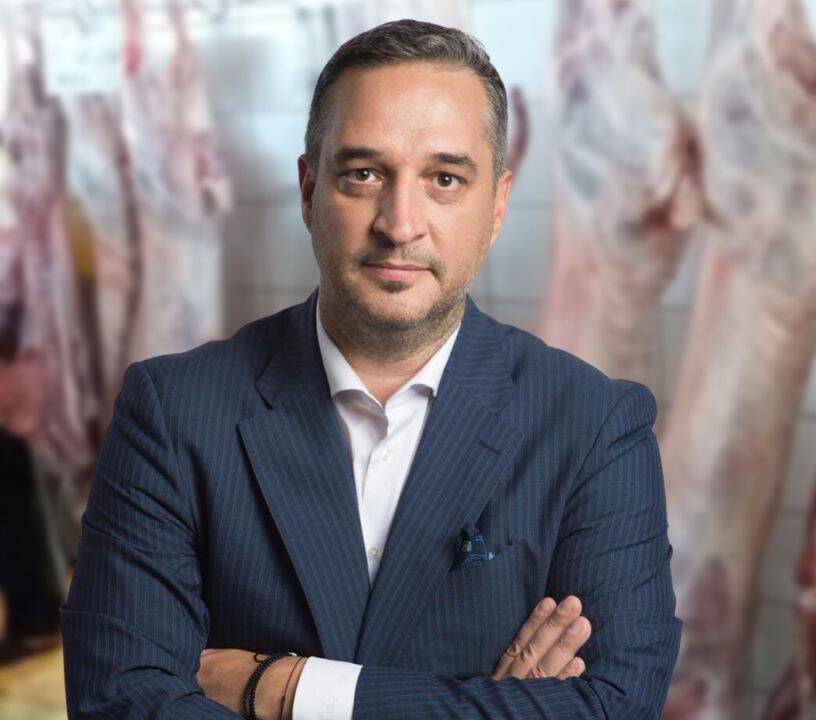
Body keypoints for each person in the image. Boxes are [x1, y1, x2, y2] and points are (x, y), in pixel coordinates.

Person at [61, 19, 681, 720]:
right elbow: (121, 700)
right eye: (364, 174)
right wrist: (499, 706)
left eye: (444, 179)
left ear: (497, 205)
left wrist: (290, 690)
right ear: (308, 190)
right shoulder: (173, 410)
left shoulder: (595, 425)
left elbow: (614, 705)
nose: (400, 223)